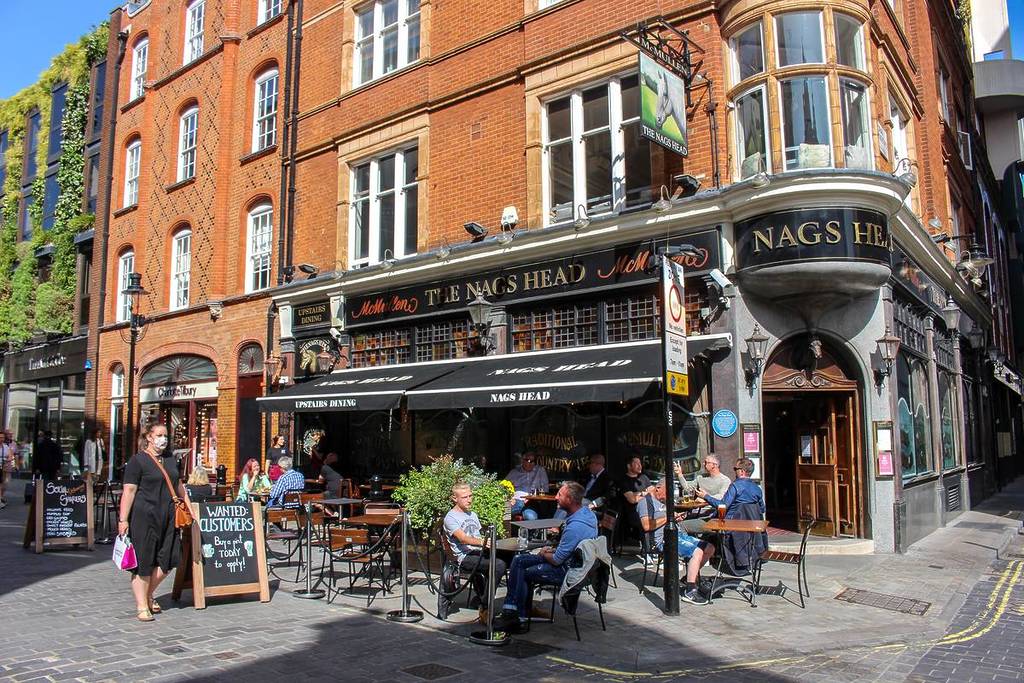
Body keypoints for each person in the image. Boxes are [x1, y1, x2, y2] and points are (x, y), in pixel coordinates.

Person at [493, 481, 598, 632]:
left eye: (560, 495)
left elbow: (557, 560)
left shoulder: (576, 526)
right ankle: (512, 610)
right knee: (519, 559)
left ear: (570, 500)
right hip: (580, 565)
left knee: (524, 569)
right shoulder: (588, 515)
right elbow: (568, 549)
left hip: (569, 572)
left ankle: (519, 618)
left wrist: (545, 552)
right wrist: (552, 549)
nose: (556, 497)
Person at [118, 423, 194, 622]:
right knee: (143, 561)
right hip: (144, 516)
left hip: (169, 516)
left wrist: (190, 508)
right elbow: (129, 491)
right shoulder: (138, 461)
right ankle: (142, 604)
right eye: (159, 435)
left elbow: (178, 485)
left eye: (165, 435)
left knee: (168, 559)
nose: (163, 439)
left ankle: (147, 593)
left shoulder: (169, 459)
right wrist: (123, 519)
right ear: (149, 437)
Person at [638, 477, 716, 605]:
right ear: (658, 488)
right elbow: (646, 525)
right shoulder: (645, 503)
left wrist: (677, 518)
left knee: (709, 548)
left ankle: (688, 578)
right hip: (663, 540)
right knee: (697, 552)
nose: (669, 496)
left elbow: (668, 518)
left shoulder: (662, 501)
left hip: (678, 534)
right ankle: (690, 591)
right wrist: (669, 518)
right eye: (667, 492)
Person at [443, 483, 507, 618]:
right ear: (455, 498)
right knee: (498, 565)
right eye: (465, 497)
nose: (469, 500)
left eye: (470, 496)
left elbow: (477, 536)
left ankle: (513, 605)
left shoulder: (472, 514)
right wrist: (483, 542)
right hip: (463, 557)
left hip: (478, 552)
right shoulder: (451, 518)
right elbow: (463, 539)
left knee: (512, 558)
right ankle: (485, 606)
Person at [697, 457, 765, 520]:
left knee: (686, 526)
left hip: (731, 527)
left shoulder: (735, 486)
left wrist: (705, 496)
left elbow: (722, 506)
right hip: (751, 528)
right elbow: (762, 509)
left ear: (742, 472)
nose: (734, 471)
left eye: (735, 469)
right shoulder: (757, 489)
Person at [619, 454, 654, 541]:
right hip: (633, 513)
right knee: (648, 521)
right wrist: (645, 492)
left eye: (640, 463)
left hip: (649, 509)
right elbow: (632, 500)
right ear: (629, 466)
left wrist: (637, 494)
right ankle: (648, 549)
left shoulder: (644, 477)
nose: (640, 466)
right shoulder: (624, 480)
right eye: (636, 463)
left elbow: (653, 492)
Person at [505, 452, 548, 521]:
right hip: (515, 501)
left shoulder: (540, 471)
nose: (531, 463)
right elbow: (503, 487)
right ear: (522, 460)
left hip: (531, 502)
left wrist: (532, 498)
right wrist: (509, 498)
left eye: (533, 461)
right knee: (504, 512)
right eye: (528, 460)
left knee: (530, 517)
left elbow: (545, 490)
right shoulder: (514, 472)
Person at [0, 430, 16, 509]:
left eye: (11, 434)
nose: (10, 435)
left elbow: (12, 455)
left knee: (5, 483)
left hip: (6, 467)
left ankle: (1, 497)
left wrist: (15, 464)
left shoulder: (9, 445)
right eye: (8, 434)